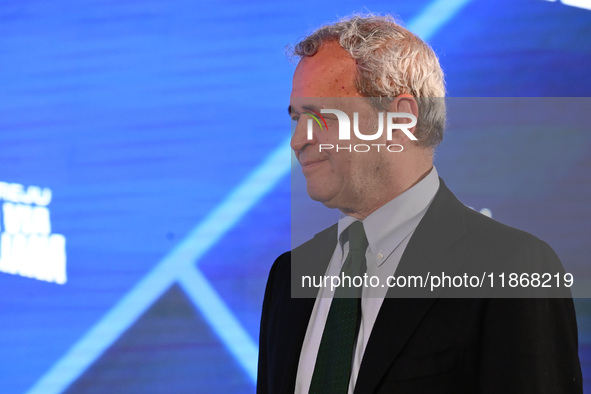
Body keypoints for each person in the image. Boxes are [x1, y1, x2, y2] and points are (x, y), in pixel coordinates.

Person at [257, 14, 582, 394]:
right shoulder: (288, 276)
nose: (298, 141)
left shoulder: (512, 268)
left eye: (320, 116)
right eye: (297, 118)